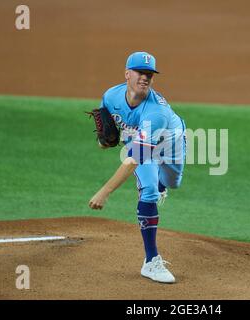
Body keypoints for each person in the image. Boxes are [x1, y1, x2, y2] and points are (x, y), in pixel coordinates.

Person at [88, 51, 186, 284]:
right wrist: (104, 141)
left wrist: (105, 191)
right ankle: (151, 261)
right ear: (127, 74)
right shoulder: (110, 96)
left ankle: (163, 184)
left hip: (171, 142)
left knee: (173, 182)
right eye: (140, 72)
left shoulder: (156, 112)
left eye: (149, 74)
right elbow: (108, 134)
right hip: (141, 143)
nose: (145, 78)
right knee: (149, 191)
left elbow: (132, 160)